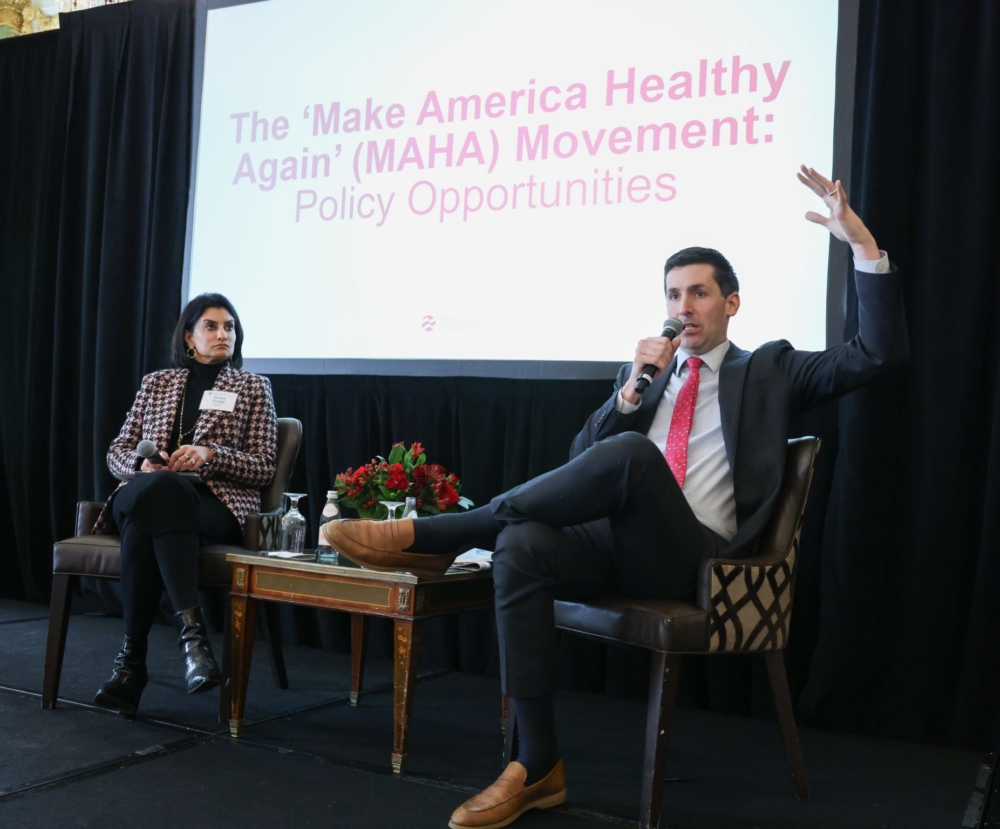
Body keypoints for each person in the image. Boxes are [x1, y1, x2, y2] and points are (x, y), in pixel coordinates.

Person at [322, 166, 909, 828]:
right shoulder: (647, 379)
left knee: (633, 457)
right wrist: (630, 391)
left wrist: (860, 243)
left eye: (699, 293)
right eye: (673, 294)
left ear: (731, 303)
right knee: (523, 540)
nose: (682, 307)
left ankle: (441, 535)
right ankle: (535, 764)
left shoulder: (771, 367)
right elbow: (580, 467)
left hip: (703, 559)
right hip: (619, 546)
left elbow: (877, 354)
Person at [91, 293, 278, 717]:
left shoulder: (252, 388)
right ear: (189, 338)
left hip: (213, 503)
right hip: (146, 490)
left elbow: (264, 467)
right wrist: (142, 462)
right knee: (160, 490)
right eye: (211, 326)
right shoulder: (157, 383)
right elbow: (117, 450)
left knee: (149, 519)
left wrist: (210, 454)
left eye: (229, 326)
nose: (222, 334)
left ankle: (131, 665)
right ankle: (192, 641)